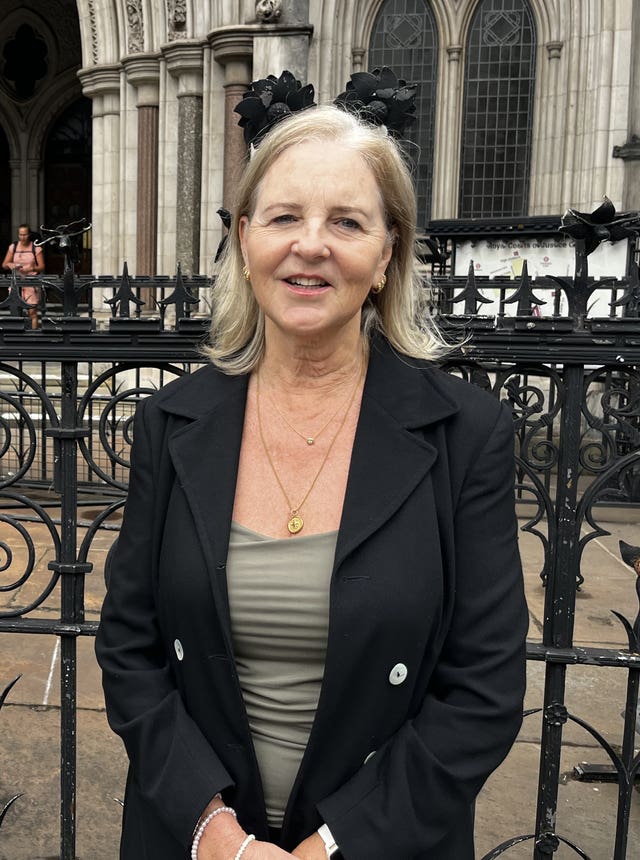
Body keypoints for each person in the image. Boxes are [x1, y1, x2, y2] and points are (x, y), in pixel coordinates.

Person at [96, 103, 528, 860]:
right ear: (244, 239)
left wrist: (337, 846)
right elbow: (131, 650)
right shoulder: (170, 424)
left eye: (348, 223)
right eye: (284, 216)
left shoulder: (468, 434)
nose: (310, 245)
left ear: (389, 252)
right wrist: (217, 836)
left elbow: (483, 691)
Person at [2, 223, 44, 328]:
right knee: (15, 311)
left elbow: (42, 267)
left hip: (31, 282)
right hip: (16, 283)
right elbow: (4, 264)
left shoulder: (36, 248)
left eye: (25, 235)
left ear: (29, 234)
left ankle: (33, 337)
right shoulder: (13, 247)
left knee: (32, 312)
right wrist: (11, 265)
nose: (22, 237)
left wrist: (31, 268)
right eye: (20, 235)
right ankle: (16, 336)